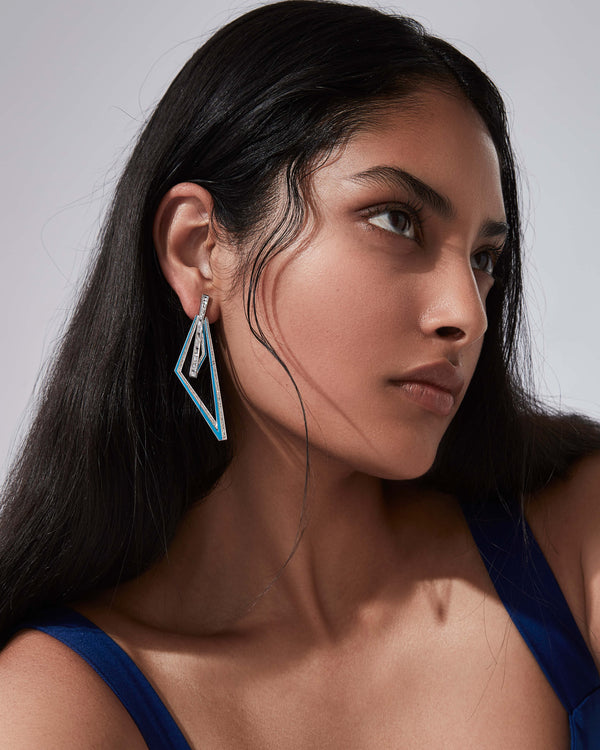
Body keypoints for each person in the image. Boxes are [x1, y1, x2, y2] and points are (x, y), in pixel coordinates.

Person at [0, 1, 599, 747]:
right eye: (397, 220)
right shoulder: (58, 705)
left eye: (483, 258)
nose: (467, 315)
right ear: (199, 250)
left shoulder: (573, 540)